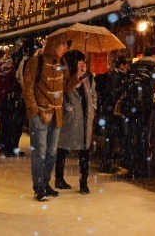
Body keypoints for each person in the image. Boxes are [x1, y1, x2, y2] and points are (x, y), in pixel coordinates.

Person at [22, 34, 81, 201]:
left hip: (57, 115)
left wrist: (77, 77)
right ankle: (38, 187)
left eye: (66, 45)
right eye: (63, 44)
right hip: (40, 113)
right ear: (53, 45)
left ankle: (45, 183)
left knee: (51, 153)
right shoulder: (37, 62)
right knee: (39, 153)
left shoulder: (62, 63)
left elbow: (65, 87)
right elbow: (28, 88)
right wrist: (33, 111)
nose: (65, 48)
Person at [54, 49, 96, 194]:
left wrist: (93, 107)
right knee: (63, 148)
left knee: (85, 150)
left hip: (85, 116)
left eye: (83, 62)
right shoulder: (66, 77)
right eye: (79, 62)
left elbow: (92, 93)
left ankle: (83, 181)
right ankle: (59, 178)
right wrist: (68, 108)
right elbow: (61, 94)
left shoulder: (88, 77)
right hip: (72, 117)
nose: (82, 65)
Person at [117, 46, 155, 178]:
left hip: (130, 107)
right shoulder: (153, 67)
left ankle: (130, 165)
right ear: (154, 56)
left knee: (130, 135)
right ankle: (141, 167)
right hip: (143, 108)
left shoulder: (134, 66)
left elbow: (125, 85)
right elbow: (153, 88)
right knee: (142, 137)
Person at [94, 55, 128, 173]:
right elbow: (113, 93)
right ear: (122, 65)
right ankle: (107, 163)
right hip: (112, 112)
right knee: (111, 138)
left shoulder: (109, 74)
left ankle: (106, 162)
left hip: (106, 110)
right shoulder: (118, 76)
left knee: (109, 137)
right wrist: (123, 87)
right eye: (126, 66)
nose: (127, 68)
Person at [0, 48, 16, 154]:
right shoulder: (8, 68)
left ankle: (1, 143)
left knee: (3, 123)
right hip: (6, 98)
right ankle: (5, 144)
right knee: (7, 123)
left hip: (0, 99)